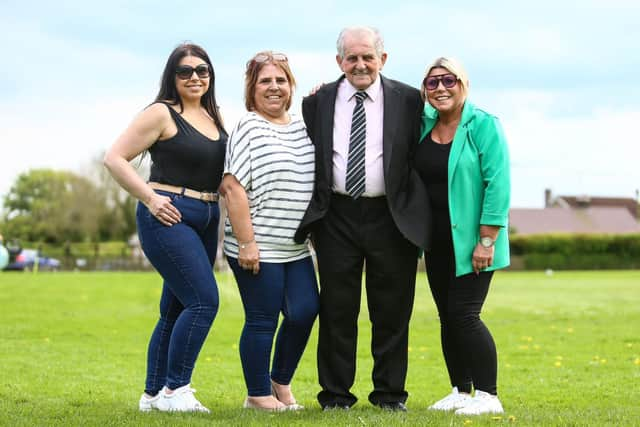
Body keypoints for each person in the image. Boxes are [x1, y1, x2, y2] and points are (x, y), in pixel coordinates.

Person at [293, 26, 431, 411]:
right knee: (337, 309)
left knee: (392, 310)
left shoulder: (408, 99)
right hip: (336, 216)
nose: (360, 64)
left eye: (368, 56)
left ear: (382, 59)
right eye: (351, 57)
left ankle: (389, 395)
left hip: (391, 216)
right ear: (339, 61)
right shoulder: (318, 101)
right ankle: (335, 396)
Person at [103, 42, 227, 413]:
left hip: (207, 216)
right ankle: (177, 389)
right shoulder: (161, 113)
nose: (194, 77)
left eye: (202, 70)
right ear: (172, 76)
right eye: (185, 71)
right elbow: (114, 158)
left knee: (174, 310)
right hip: (168, 213)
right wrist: (150, 199)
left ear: (210, 76)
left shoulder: (214, 115)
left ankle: (153, 394)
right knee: (204, 301)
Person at [220, 51, 319, 411]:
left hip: (295, 248)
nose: (274, 87)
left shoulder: (302, 126)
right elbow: (232, 187)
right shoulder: (248, 126)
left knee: (306, 310)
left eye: (281, 80)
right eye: (265, 81)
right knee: (262, 320)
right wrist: (247, 243)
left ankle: (280, 381)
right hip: (255, 245)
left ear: (291, 86)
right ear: (252, 88)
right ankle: (258, 395)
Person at [414, 57, 510, 415]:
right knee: (446, 316)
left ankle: (489, 395)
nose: (440, 88)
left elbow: (497, 184)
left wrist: (487, 240)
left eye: (449, 81)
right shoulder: (423, 124)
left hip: (474, 242)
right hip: (436, 241)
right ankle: (460, 389)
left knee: (465, 315)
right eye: (432, 82)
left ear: (463, 84)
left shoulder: (483, 125)